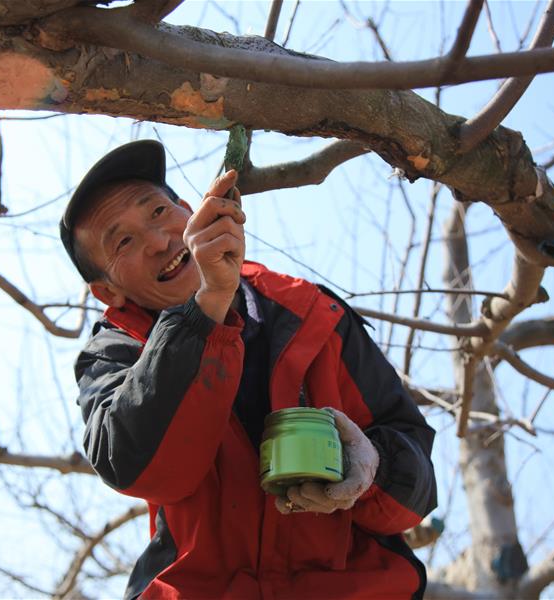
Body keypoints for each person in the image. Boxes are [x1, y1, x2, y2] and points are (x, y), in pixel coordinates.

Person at [60, 140, 437, 600]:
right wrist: (206, 308)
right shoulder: (115, 351)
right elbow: (137, 465)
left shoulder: (314, 312)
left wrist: (370, 468)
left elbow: (414, 490)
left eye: (158, 213)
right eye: (124, 241)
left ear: (188, 210)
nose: (159, 242)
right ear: (108, 293)